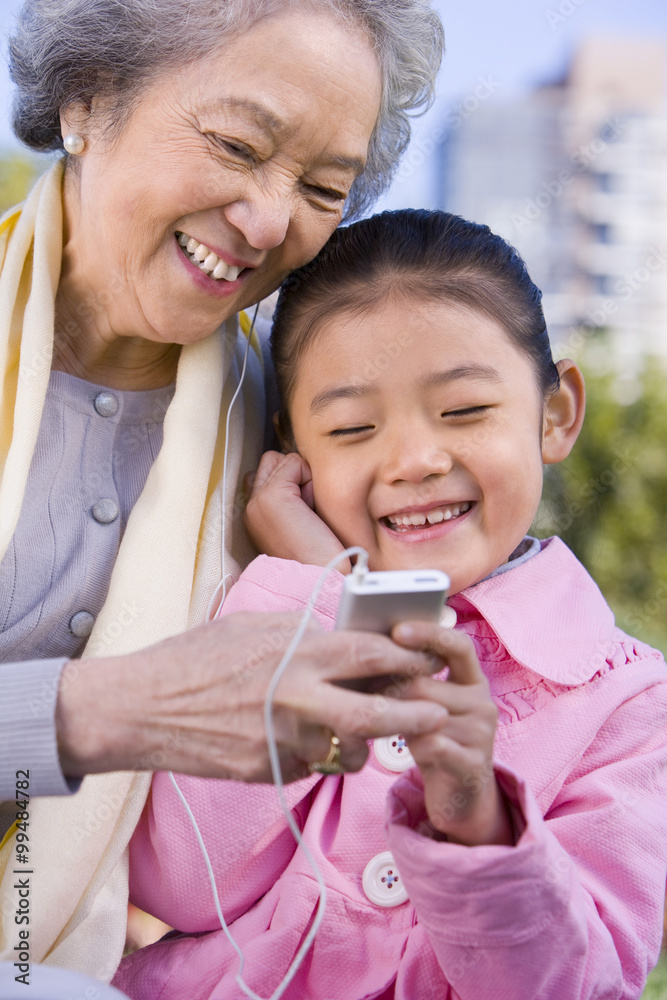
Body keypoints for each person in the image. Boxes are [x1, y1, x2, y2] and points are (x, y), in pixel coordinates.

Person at [0, 0, 446, 986]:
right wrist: (102, 711)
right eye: (238, 143)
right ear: (87, 97)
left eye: (325, 187)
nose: (268, 220)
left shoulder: (289, 445)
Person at [114, 211, 667, 1000]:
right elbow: (178, 882)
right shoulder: (271, 608)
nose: (412, 460)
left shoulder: (626, 703)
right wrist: (322, 600)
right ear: (294, 451)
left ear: (555, 413)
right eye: (351, 427)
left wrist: (475, 814)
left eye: (465, 410)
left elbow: (575, 985)